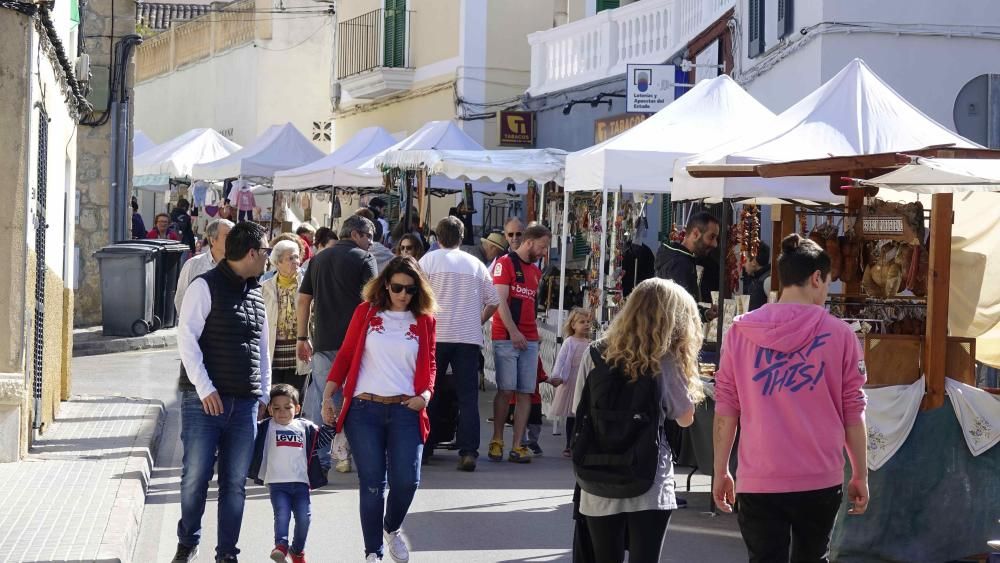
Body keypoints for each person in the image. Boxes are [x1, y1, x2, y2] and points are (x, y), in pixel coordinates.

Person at [712, 233, 869, 563]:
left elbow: (726, 408)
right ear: (816, 278)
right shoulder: (841, 335)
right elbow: (853, 410)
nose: (826, 293)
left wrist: (720, 469)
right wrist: (860, 474)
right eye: (827, 284)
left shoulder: (739, 332)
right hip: (819, 477)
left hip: (758, 477)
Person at [571, 278, 703, 563]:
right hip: (650, 474)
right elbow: (684, 418)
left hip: (597, 471)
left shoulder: (594, 352)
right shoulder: (666, 360)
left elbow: (577, 409)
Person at [321, 256, 438, 563]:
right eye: (398, 287)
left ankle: (392, 528)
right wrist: (329, 391)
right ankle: (372, 551)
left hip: (406, 410)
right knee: (373, 483)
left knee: (407, 481)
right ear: (386, 285)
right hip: (364, 409)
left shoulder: (424, 320)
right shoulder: (366, 312)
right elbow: (346, 353)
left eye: (410, 289)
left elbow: (431, 364)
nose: (403, 294)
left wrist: (426, 393)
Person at [173, 221, 273, 563]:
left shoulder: (257, 293)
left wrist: (263, 393)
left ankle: (227, 553)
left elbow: (262, 347)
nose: (267, 259)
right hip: (204, 403)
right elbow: (186, 340)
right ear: (251, 253)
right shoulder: (204, 286)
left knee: (234, 484)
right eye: (266, 252)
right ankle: (188, 541)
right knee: (196, 477)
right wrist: (204, 388)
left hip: (244, 403)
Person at [297, 215, 377, 474]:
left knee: (325, 398)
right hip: (357, 343)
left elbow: (303, 300)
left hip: (323, 340)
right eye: (369, 237)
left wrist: (301, 337)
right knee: (355, 398)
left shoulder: (317, 259)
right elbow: (374, 302)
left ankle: (320, 459)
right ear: (355, 234)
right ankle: (347, 453)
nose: (371, 243)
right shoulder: (364, 259)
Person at [419, 217, 500, 471]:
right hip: (467, 337)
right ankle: (468, 451)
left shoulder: (427, 261)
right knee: (468, 397)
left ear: (437, 237)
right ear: (462, 238)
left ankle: (425, 446)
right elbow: (494, 301)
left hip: (436, 335)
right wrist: (477, 320)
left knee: (429, 392)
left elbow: (415, 296)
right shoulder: (476, 264)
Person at [248, 384, 334, 563]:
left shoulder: (305, 427)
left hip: (301, 483)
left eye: (287, 407)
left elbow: (323, 439)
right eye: (277, 408)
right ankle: (281, 546)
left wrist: (330, 423)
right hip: (277, 484)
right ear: (270, 409)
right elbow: (246, 433)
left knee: (304, 518)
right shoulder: (265, 427)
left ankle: (297, 551)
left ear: (297, 408)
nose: (282, 412)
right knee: (282, 514)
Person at [489, 223, 551, 463]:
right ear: (529, 242)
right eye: (542, 246)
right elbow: (500, 301)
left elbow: (529, 305)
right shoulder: (505, 263)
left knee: (526, 391)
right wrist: (514, 331)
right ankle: (497, 440)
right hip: (506, 337)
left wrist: (531, 332)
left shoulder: (535, 272)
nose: (544, 252)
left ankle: (518, 444)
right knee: (506, 390)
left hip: (529, 339)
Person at [263, 240, 310, 399]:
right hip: (273, 352)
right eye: (290, 258)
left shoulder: (308, 285)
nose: (296, 262)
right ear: (277, 262)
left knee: (295, 399)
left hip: (299, 353)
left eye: (297, 257)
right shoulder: (264, 287)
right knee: (272, 399)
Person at [654, 211, 720, 322]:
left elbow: (683, 305)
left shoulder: (681, 259)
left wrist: (705, 313)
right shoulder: (680, 263)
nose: (715, 244)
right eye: (711, 237)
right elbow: (678, 310)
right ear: (695, 234)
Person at [548, 307, 592, 457]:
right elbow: (561, 360)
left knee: (583, 414)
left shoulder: (590, 343)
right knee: (571, 414)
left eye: (588, 322)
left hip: (585, 379)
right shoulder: (569, 342)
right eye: (582, 322)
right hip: (571, 379)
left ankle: (580, 443)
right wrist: (556, 375)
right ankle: (569, 444)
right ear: (573, 325)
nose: (586, 324)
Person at [175, 219, 233, 313]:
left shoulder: (239, 266)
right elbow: (181, 298)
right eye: (228, 236)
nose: (233, 240)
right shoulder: (193, 264)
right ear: (213, 240)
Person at [742, 241, 772, 312]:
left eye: (745, 260)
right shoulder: (765, 277)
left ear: (754, 262)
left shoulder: (760, 283)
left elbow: (752, 313)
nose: (743, 265)